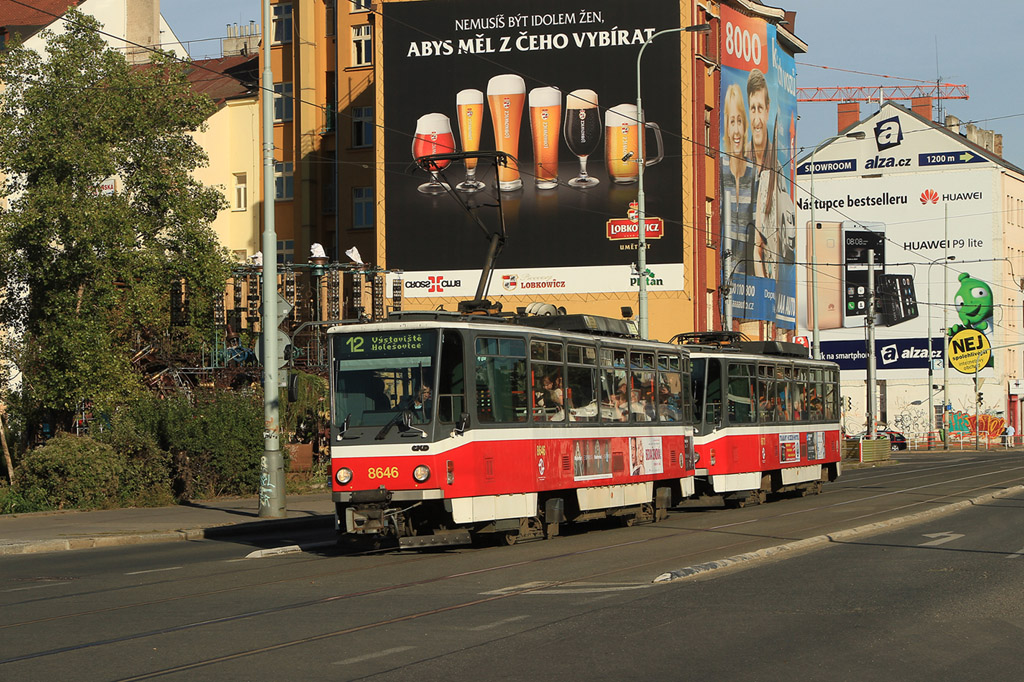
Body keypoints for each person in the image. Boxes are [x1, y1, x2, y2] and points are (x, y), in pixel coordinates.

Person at [721, 83, 755, 274]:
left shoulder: (753, 171)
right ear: (726, 127)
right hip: (721, 267)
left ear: (745, 127)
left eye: (739, 121)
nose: (735, 130)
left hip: (747, 271)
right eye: (731, 121)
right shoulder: (719, 166)